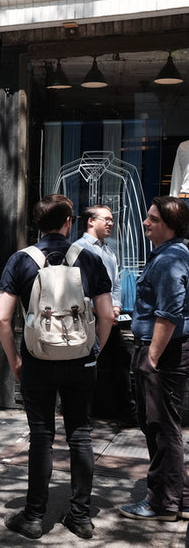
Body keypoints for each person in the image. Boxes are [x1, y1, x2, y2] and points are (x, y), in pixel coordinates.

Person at [0, 195, 114, 540]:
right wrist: (94, 351)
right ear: (68, 222)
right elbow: (107, 315)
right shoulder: (89, 259)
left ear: (37, 224)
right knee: (80, 434)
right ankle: (81, 516)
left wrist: (15, 361)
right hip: (80, 361)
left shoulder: (20, 260)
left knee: (41, 436)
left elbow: (2, 318)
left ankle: (34, 516)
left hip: (37, 359)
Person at [118, 196, 189, 522]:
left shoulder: (170, 259)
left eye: (154, 219)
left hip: (161, 352)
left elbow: (169, 313)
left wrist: (152, 357)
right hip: (162, 350)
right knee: (162, 425)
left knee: (161, 427)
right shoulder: (169, 255)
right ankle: (179, 496)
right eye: (148, 216)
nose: (146, 223)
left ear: (171, 226)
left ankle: (162, 503)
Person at [74, 205, 137, 425]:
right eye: (106, 219)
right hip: (89, 320)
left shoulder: (109, 251)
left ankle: (126, 413)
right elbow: (76, 287)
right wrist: (100, 309)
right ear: (90, 221)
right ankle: (83, 415)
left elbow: (116, 283)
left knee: (121, 361)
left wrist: (115, 307)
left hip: (110, 319)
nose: (111, 223)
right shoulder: (79, 249)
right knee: (87, 366)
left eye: (112, 219)